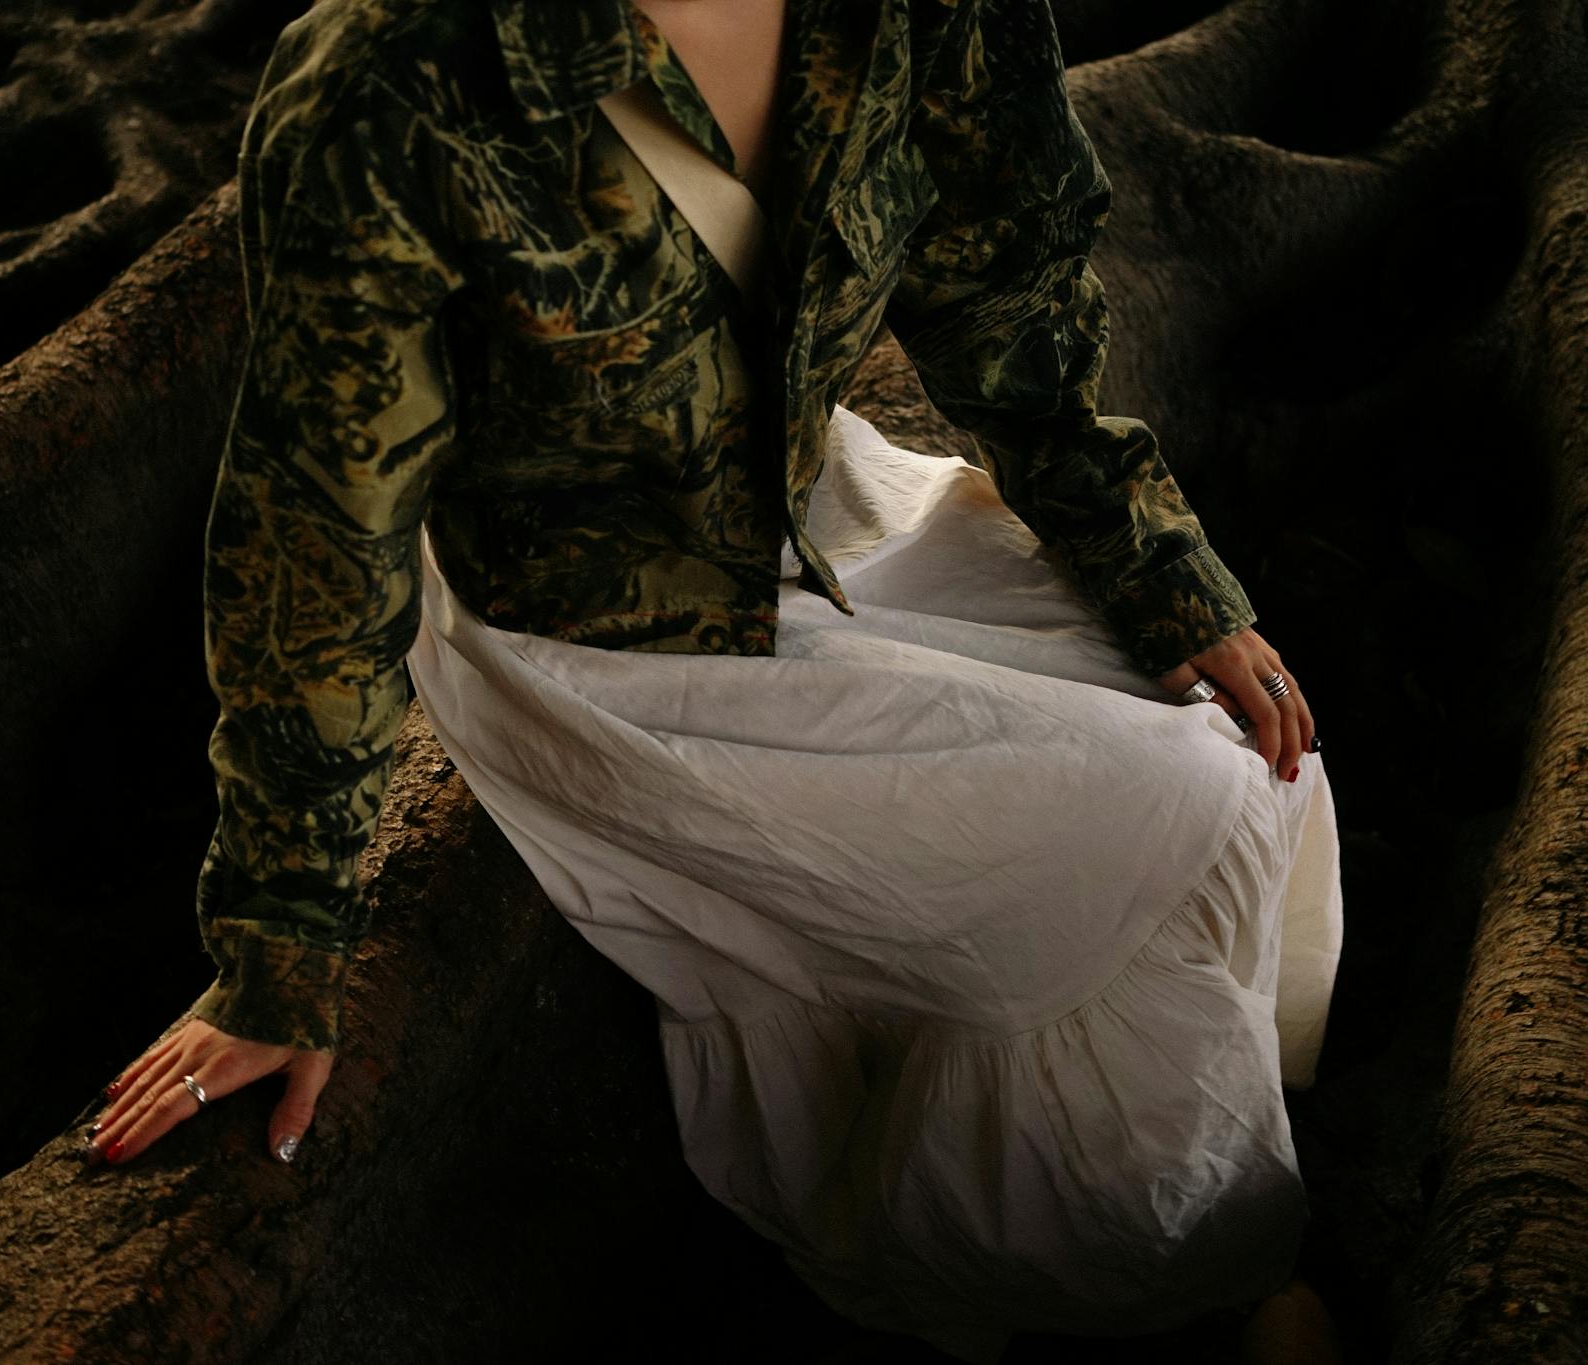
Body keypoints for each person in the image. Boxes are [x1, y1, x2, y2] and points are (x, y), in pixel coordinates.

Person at [86, 0, 1346, 1358]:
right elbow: (318, 538)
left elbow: (1008, 292)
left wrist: (1154, 566)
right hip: (593, 636)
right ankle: (1173, 1284)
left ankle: (1211, 1179)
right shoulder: (396, 71)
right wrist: (281, 950)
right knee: (1155, 811)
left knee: (1229, 741)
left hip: (818, 504)